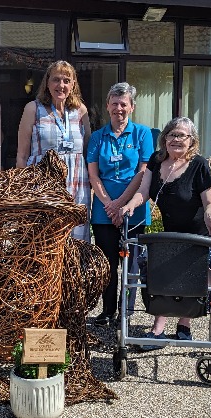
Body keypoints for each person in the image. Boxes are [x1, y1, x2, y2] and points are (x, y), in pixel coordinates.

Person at [120, 116, 211, 350]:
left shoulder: (199, 165)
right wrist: (129, 205)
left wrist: (210, 214)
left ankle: (184, 325)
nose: (176, 139)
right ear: (165, 138)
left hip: (199, 233)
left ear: (192, 141)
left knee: (193, 278)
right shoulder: (156, 161)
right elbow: (144, 191)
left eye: (182, 135)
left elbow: (210, 202)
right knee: (164, 275)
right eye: (172, 134)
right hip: (171, 234)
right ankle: (158, 329)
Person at [86, 82, 154, 327]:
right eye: (114, 103)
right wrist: (109, 205)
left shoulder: (143, 134)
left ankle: (126, 313)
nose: (119, 108)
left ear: (132, 107)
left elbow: (143, 172)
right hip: (104, 213)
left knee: (132, 265)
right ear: (107, 106)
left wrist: (121, 204)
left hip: (134, 211)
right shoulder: (97, 137)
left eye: (123, 104)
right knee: (107, 265)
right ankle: (107, 311)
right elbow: (93, 176)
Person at [16, 60, 92, 240]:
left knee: (76, 242)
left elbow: (88, 152)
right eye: (56, 80)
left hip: (77, 187)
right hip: (42, 188)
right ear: (47, 83)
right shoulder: (33, 109)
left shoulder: (81, 111)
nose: (61, 85)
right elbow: (22, 155)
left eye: (67, 80)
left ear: (73, 84)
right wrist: (22, 191)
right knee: (45, 241)